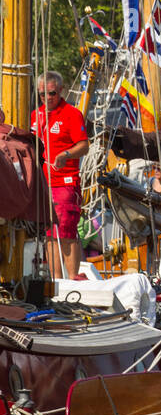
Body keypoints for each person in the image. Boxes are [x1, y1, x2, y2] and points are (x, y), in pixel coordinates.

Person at [30, 71, 89, 280]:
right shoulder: (36, 115)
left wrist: (66, 154)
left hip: (64, 182)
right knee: (49, 234)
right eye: (42, 94)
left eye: (52, 93)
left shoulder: (72, 114)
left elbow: (84, 145)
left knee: (65, 231)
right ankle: (56, 281)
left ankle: (73, 278)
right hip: (42, 184)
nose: (47, 98)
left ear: (60, 90)